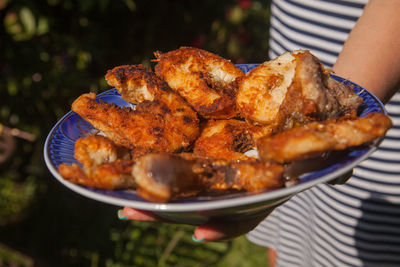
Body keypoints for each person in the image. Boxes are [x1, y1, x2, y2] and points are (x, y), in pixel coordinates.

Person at [118, 0, 400, 265]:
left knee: (345, 248)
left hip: (374, 78)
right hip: (277, 84)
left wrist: (330, 103)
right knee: (295, 245)